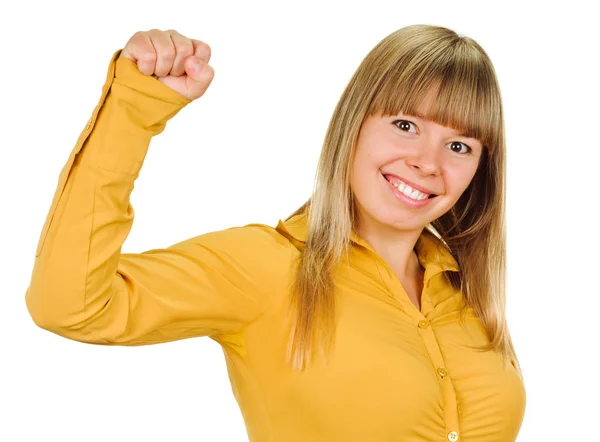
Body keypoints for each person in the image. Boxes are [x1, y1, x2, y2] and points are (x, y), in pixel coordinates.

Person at [25, 25, 526, 441]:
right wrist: (133, 110)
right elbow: (72, 306)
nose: (427, 163)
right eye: (405, 124)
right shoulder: (264, 268)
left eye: (459, 146)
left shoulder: (468, 293)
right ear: (353, 125)